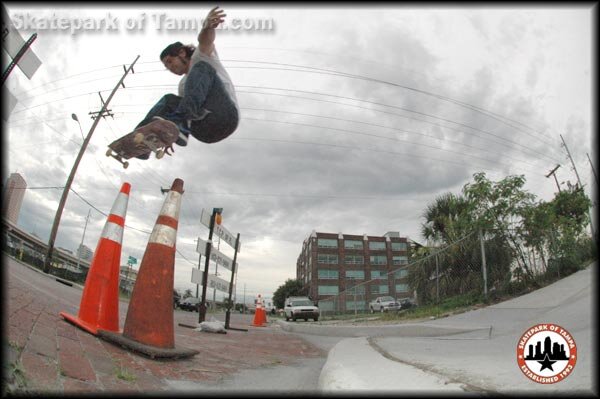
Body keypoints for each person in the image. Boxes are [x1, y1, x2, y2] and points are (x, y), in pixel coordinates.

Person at [135, 6, 239, 158]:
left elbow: (205, 40)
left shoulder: (201, 56)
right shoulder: (183, 85)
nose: (170, 67)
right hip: (203, 132)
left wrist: (207, 26)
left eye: (170, 61)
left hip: (225, 116)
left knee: (200, 68)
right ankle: (141, 145)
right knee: (169, 100)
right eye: (167, 66)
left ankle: (180, 124)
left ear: (182, 52)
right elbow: (187, 107)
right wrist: (168, 136)